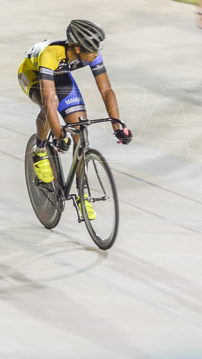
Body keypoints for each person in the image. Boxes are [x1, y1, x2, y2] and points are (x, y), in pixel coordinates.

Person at [17, 20, 131, 220]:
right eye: (93, 50)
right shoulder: (50, 55)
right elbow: (51, 101)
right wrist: (59, 133)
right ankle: (40, 150)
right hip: (33, 75)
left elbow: (106, 90)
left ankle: (82, 193)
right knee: (47, 104)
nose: (96, 54)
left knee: (80, 129)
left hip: (60, 77)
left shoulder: (91, 53)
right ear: (78, 48)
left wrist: (117, 124)